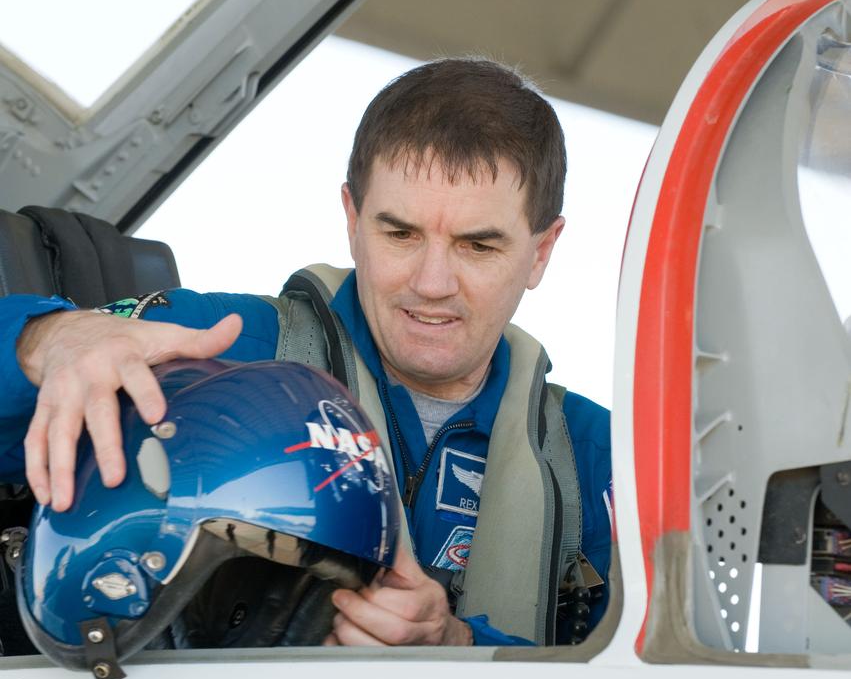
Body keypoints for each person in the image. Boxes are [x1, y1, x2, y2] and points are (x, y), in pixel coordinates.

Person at [0, 58, 612, 648]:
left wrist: (456, 642)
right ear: (351, 218)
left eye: (478, 246)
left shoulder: (600, 458)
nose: (431, 283)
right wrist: (45, 340)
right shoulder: (222, 352)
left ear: (541, 252)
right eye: (399, 234)